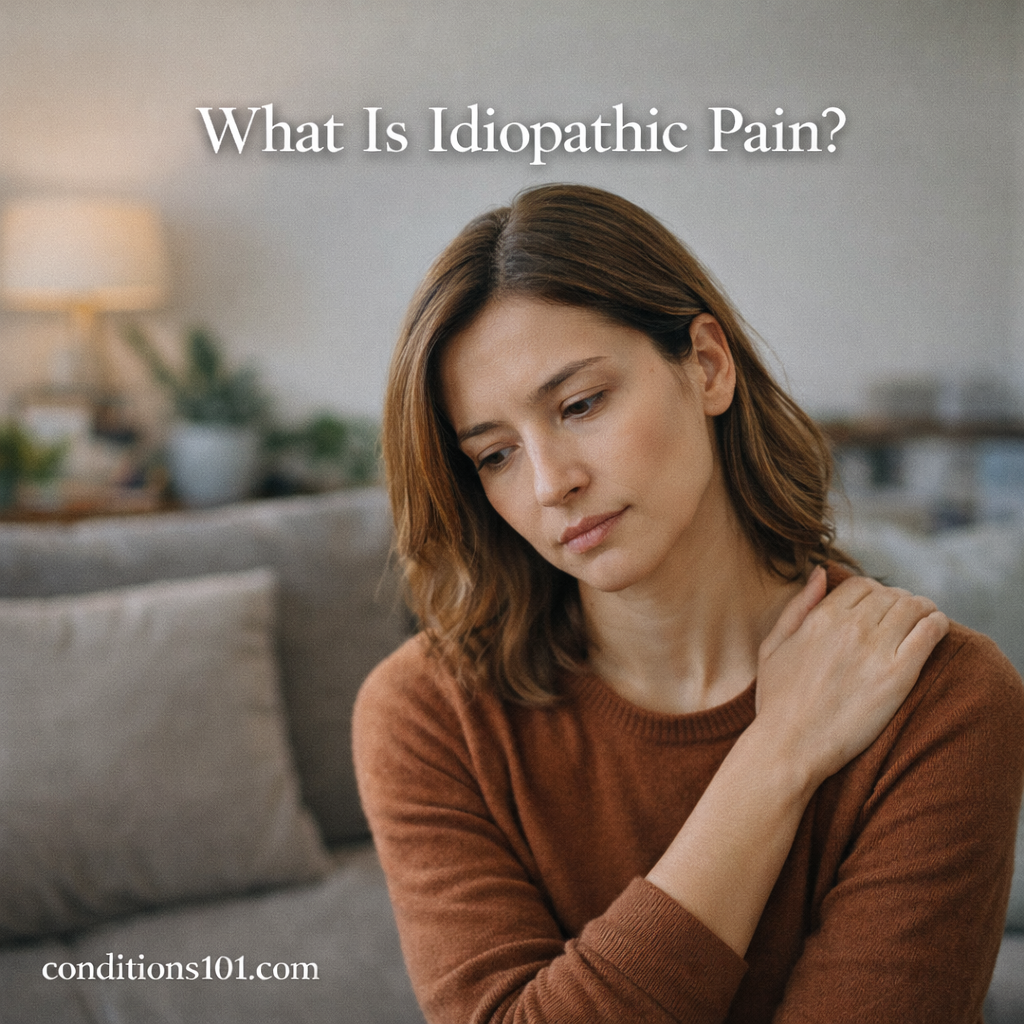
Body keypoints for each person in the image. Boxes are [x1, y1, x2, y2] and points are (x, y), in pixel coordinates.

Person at [353, 183, 1024, 1023]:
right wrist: (775, 758)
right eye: (494, 455)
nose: (551, 482)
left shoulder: (946, 700)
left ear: (706, 365)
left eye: (581, 405)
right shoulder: (428, 713)